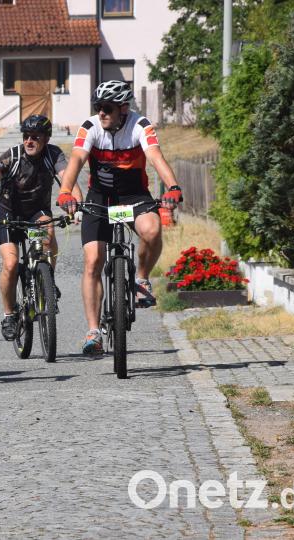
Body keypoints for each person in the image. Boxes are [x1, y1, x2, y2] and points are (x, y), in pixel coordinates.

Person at [56, 80, 183, 355]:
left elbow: (156, 158)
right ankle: (93, 331)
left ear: (123, 109)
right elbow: (77, 159)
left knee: (152, 230)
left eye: (107, 108)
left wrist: (172, 187)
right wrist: (66, 191)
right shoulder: (89, 127)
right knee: (92, 261)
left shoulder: (140, 125)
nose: (101, 113)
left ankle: (141, 278)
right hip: (100, 197)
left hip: (133, 194)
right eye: (98, 107)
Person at [0, 114, 82, 341]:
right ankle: (9, 314)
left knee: (48, 236)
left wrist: (76, 204)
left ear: (46, 138)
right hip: (8, 213)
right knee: (11, 264)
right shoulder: (14, 155)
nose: (29, 141)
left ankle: (47, 279)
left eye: (35, 137)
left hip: (36, 212)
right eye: (26, 136)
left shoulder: (53, 154)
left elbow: (68, 180)